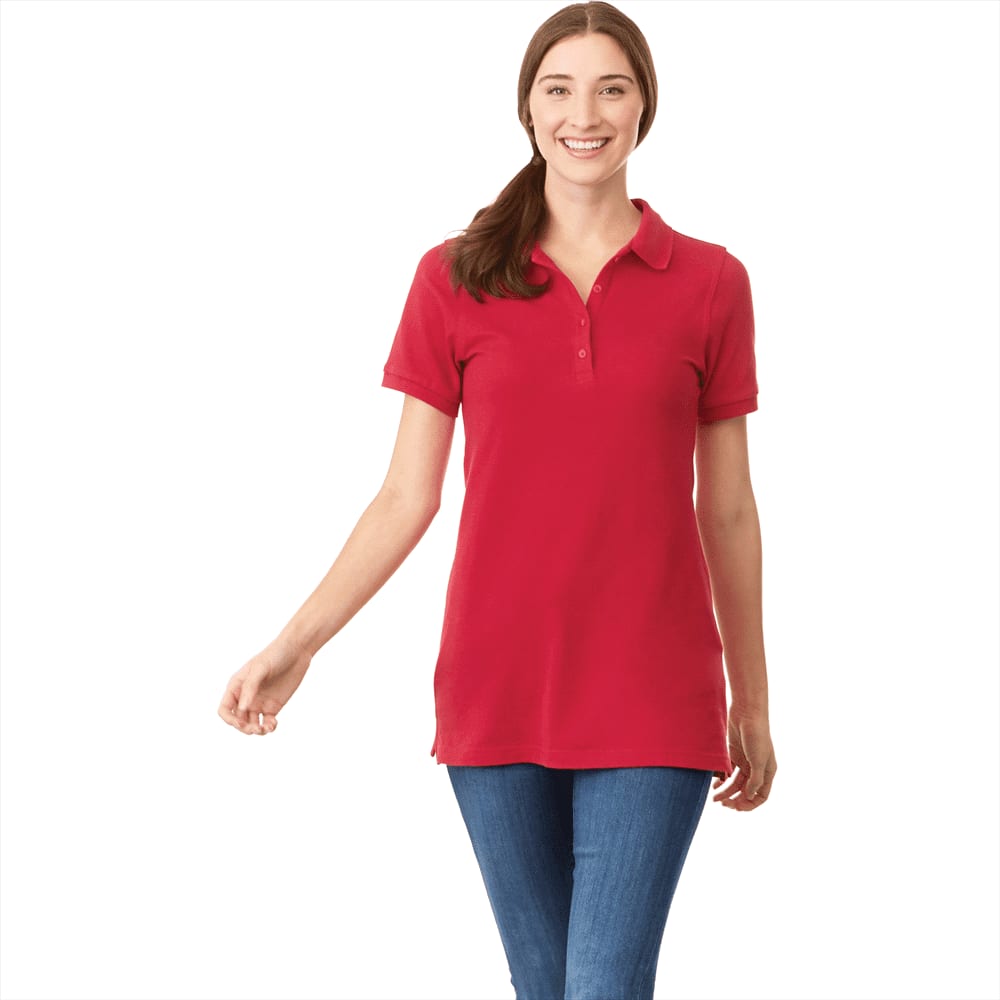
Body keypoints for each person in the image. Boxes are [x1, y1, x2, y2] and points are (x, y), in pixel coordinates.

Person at [218, 1, 777, 996]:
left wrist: (754, 698)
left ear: (645, 106)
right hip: (496, 685)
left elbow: (727, 507)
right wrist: (295, 645)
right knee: (542, 986)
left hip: (653, 689)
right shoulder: (454, 278)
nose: (584, 114)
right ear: (527, 108)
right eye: (559, 89)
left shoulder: (710, 282)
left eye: (611, 88)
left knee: (602, 984)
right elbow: (405, 495)